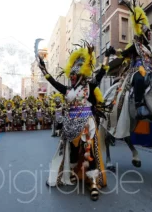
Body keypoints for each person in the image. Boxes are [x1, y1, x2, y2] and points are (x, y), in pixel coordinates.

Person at [37, 42, 109, 201]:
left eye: (75, 75)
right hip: (70, 125)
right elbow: (54, 83)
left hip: (86, 124)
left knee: (89, 151)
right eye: (71, 75)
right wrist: (44, 70)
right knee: (72, 151)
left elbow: (101, 73)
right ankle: (74, 173)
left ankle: (94, 183)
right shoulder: (68, 90)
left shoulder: (90, 86)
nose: (72, 77)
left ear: (82, 74)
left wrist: (107, 58)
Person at [113, 0, 152, 119]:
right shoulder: (135, 46)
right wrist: (113, 51)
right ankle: (139, 104)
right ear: (143, 34)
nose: (150, 35)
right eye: (148, 33)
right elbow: (122, 55)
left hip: (151, 70)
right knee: (139, 79)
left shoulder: (151, 48)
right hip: (136, 71)